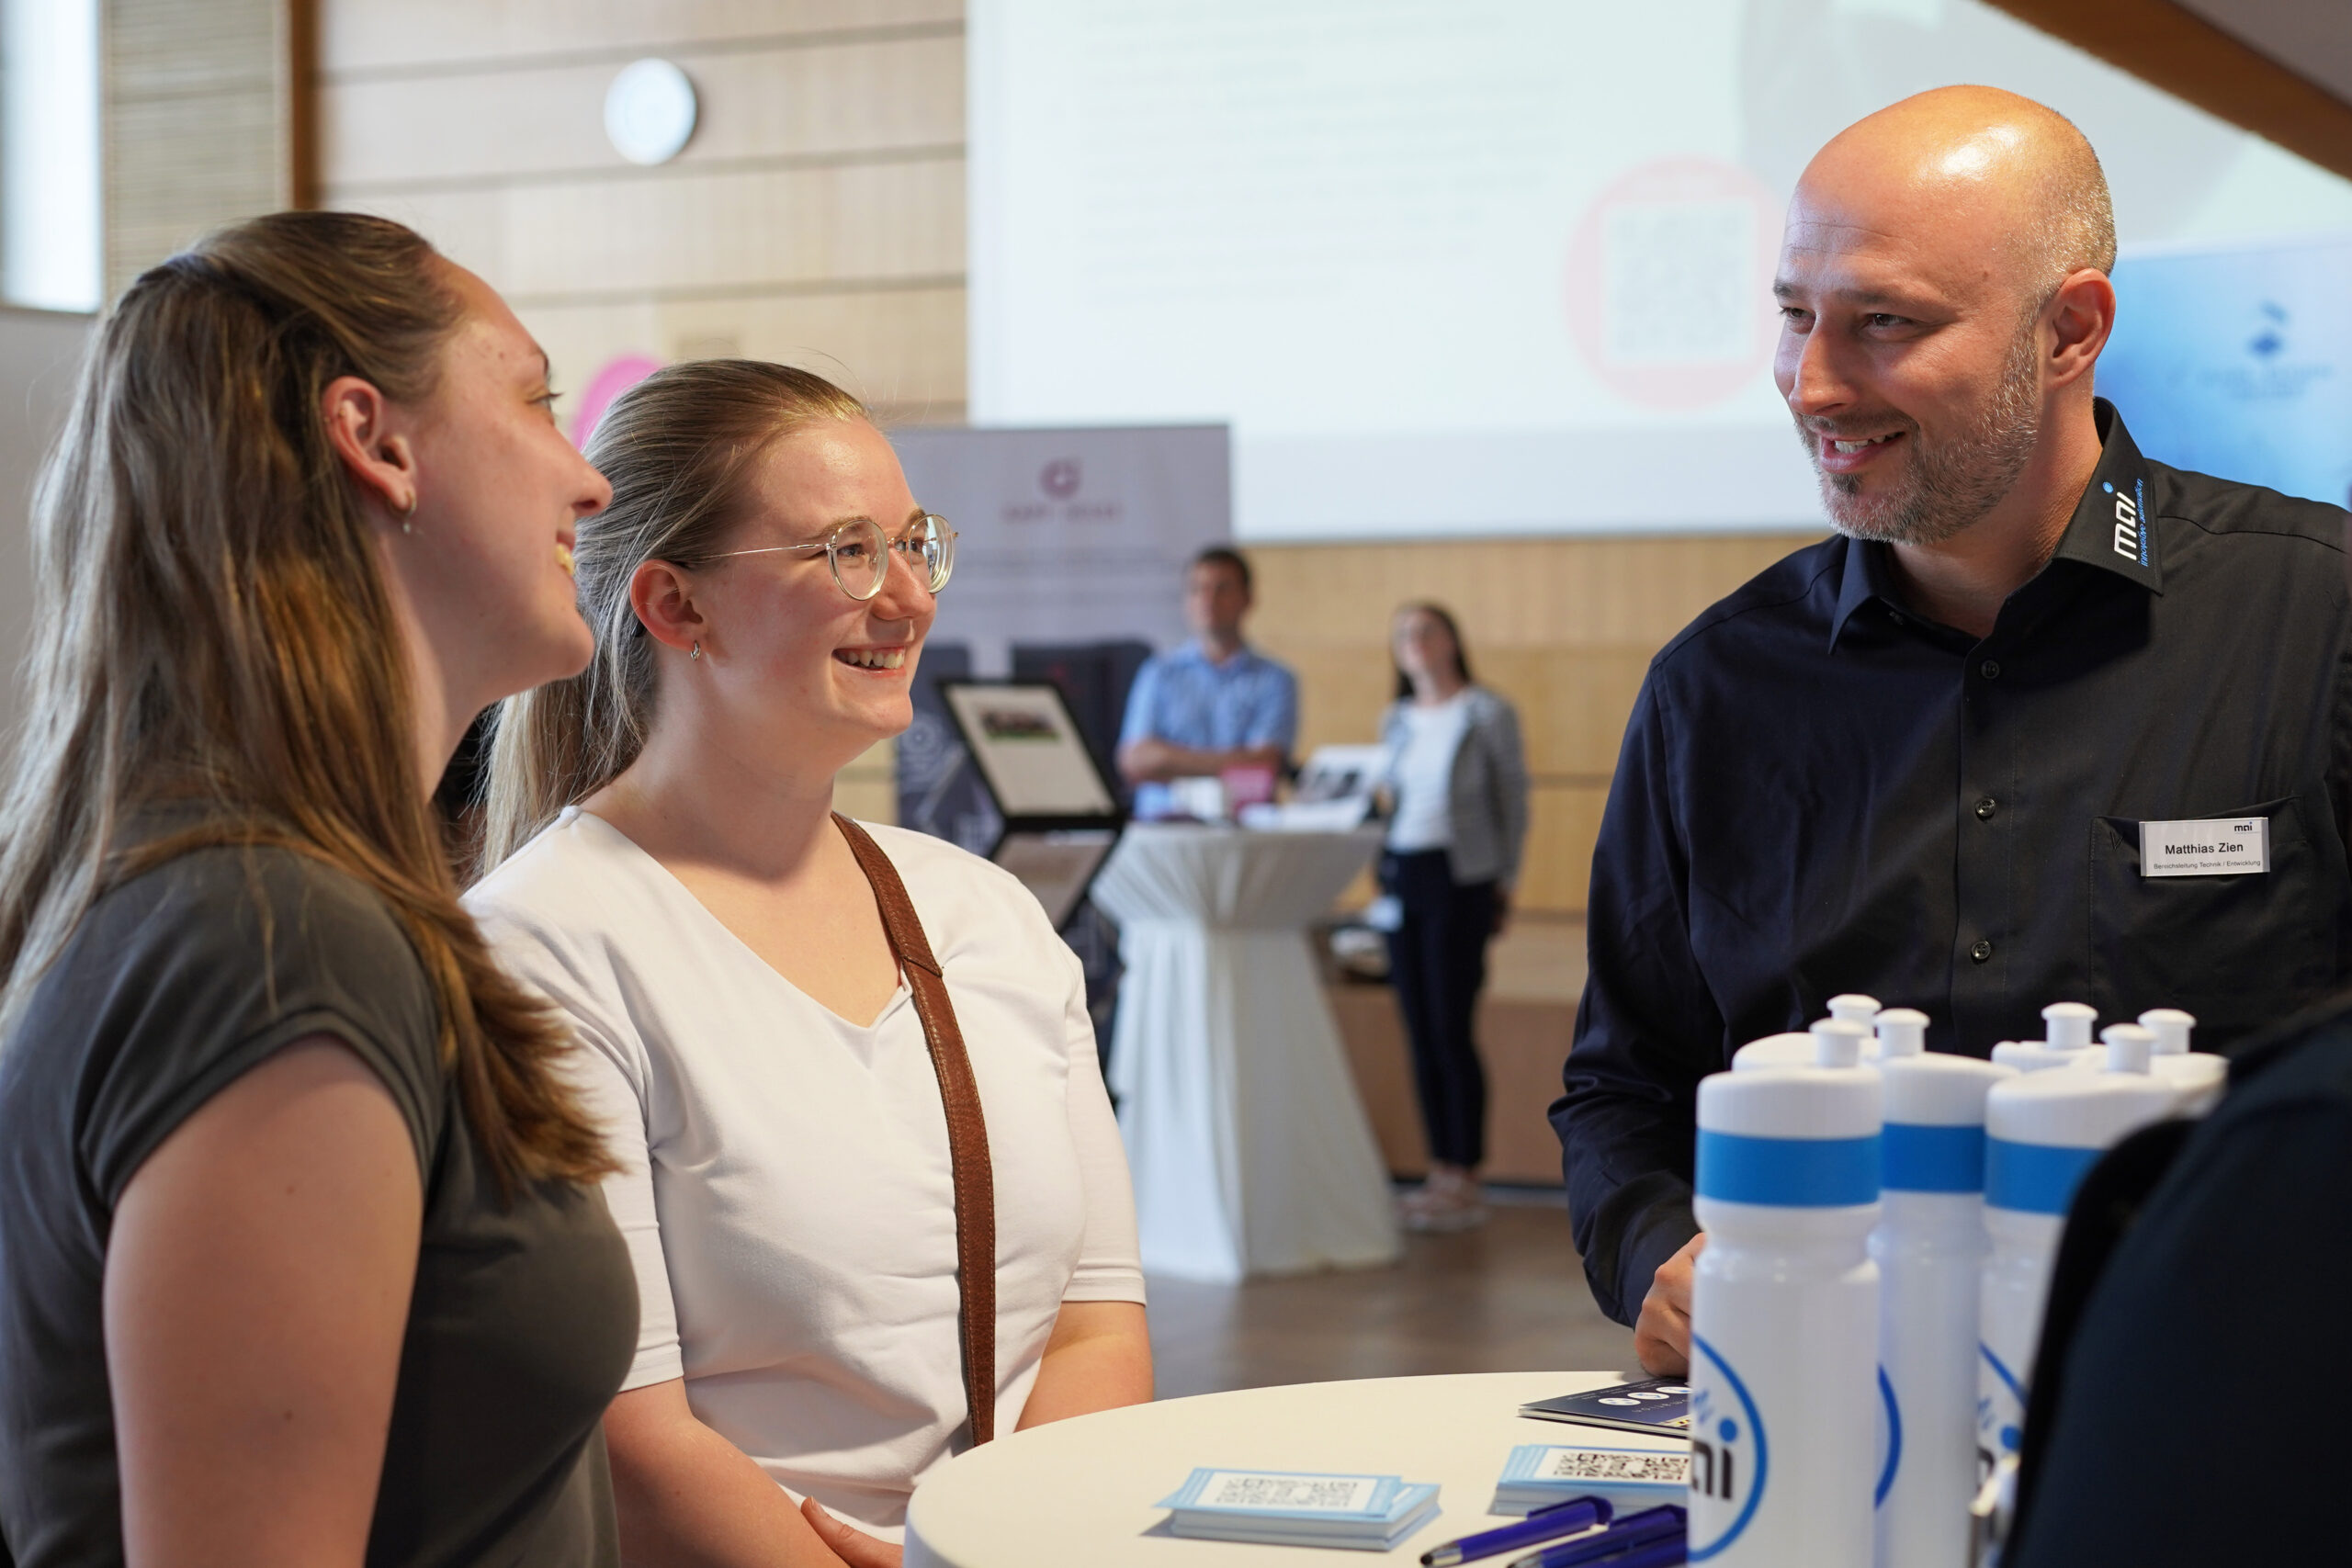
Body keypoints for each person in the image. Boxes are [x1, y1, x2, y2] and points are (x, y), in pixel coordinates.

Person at [1551, 85, 2352, 1378]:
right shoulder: (1717, 689)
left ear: (2070, 330)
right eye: (1795, 314)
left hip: (2238, 1422)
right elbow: (1625, 1089)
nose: (1813, 381)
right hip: (1826, 1418)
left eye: (1885, 324)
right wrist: (1660, 1253)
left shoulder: (2318, 617)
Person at [0, 212, 636, 1567]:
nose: (588, 482)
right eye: (531, 397)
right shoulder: (275, 942)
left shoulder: (284, 909)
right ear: (377, 438)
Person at [468, 360, 1152, 1568]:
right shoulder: (539, 946)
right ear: (676, 606)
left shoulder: (984, 915)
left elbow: (1097, 1326)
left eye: (912, 543)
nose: (905, 598)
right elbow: (626, 1434)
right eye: (845, 550)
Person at [1377, 604, 1529, 1233]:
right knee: (1416, 1025)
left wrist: (1506, 881)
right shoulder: (1395, 719)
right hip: (1401, 876)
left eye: (1426, 630)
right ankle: (1437, 1168)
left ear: (1451, 642)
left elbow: (1512, 801)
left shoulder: (1486, 711)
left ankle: (1466, 1171)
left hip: (1461, 877)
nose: (1415, 642)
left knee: (1450, 1023)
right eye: (1404, 634)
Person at [1115, 546, 1300, 818]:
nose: (1208, 600)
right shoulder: (1158, 673)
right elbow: (1135, 761)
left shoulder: (1276, 680)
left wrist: (1169, 762)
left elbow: (1265, 764)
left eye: (1222, 589)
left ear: (1248, 599)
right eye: (1197, 589)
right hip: (1163, 829)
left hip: (1245, 832)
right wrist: (1233, 763)